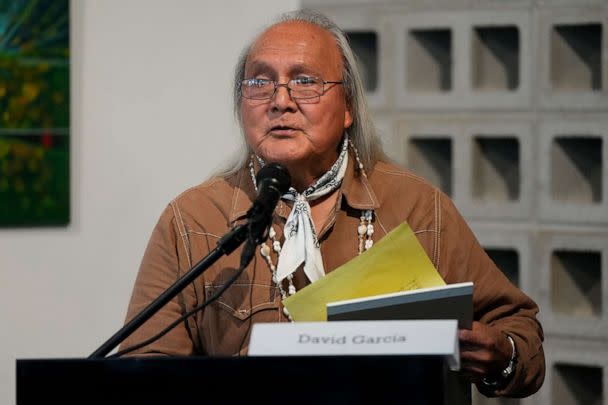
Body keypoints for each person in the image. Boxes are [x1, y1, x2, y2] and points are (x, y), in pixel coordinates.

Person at [121, 9, 545, 398]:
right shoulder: (192, 220)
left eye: (305, 81)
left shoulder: (418, 208)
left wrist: (501, 357)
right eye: (259, 82)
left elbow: (522, 336)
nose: (280, 100)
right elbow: (141, 372)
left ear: (348, 107)